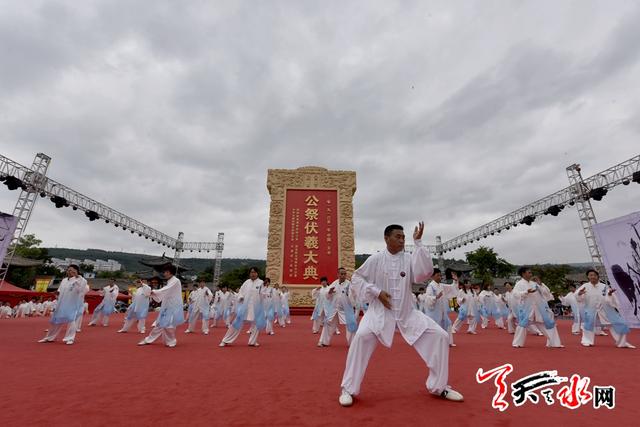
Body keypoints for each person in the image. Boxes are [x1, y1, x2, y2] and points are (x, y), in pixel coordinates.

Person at [338, 222, 463, 407]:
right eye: (398, 236)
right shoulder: (376, 259)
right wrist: (376, 292)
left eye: (404, 237)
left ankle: (439, 386)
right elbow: (356, 278)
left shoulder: (409, 259)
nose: (402, 240)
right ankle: (348, 389)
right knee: (360, 339)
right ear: (386, 238)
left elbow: (424, 273)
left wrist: (418, 243)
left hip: (407, 313)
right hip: (378, 313)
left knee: (441, 336)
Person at [576, 269, 635, 348]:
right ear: (588, 277)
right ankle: (587, 341)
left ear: (597, 276)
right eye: (590, 275)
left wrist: (610, 294)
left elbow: (609, 298)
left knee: (619, 324)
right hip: (591, 309)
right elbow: (578, 297)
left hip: (605, 309)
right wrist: (579, 294)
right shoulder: (585, 286)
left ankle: (622, 343)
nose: (592, 277)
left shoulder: (604, 286)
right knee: (588, 325)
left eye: (594, 275)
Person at [511, 268, 563, 348]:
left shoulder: (534, 283)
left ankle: (554, 343)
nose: (531, 274)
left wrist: (540, 284)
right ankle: (517, 343)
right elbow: (515, 294)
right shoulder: (519, 284)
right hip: (527, 308)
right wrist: (526, 292)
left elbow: (546, 293)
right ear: (523, 274)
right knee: (522, 326)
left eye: (531, 272)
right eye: (529, 272)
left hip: (539, 308)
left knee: (548, 324)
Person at [38, 265, 89, 345]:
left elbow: (82, 289)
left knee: (71, 320)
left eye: (71, 270)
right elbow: (60, 291)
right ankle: (49, 337)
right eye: (68, 270)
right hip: (61, 303)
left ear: (76, 271)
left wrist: (78, 277)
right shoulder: (64, 280)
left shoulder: (80, 280)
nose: (69, 272)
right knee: (56, 321)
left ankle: (70, 338)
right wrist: (56, 293)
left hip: (72, 304)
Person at [138, 265, 184, 347]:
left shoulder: (175, 281)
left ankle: (171, 341)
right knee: (159, 324)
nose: (164, 274)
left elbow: (166, 289)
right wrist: (154, 292)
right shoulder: (170, 281)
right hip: (167, 305)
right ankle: (149, 339)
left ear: (169, 272)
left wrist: (155, 292)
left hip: (173, 306)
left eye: (165, 272)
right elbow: (165, 291)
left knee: (169, 325)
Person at [219, 267, 264, 347]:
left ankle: (252, 342)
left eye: (254, 272)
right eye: (251, 272)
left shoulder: (261, 283)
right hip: (245, 307)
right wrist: (241, 297)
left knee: (255, 325)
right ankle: (225, 340)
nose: (252, 274)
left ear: (257, 273)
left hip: (256, 307)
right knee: (236, 323)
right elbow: (241, 292)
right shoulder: (246, 282)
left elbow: (264, 295)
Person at [424, 269, 458, 347]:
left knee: (448, 324)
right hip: (434, 311)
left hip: (442, 310)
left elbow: (451, 288)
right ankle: (434, 343)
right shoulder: (431, 286)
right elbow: (428, 298)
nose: (440, 277)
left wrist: (455, 281)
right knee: (435, 327)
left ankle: (449, 342)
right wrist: (436, 297)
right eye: (438, 275)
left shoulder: (441, 285)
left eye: (440, 275)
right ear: (432, 276)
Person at [329, 267, 358, 344]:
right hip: (335, 308)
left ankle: (352, 343)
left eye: (345, 274)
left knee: (350, 325)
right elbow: (327, 294)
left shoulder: (349, 284)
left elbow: (354, 295)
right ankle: (324, 341)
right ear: (338, 274)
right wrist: (329, 292)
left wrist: (350, 295)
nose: (343, 275)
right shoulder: (334, 283)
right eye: (341, 274)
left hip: (346, 309)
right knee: (328, 324)